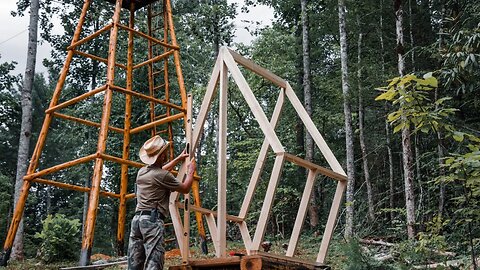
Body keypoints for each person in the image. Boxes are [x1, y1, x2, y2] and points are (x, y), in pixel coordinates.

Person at [127, 135, 196, 270]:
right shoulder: (162, 176)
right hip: (152, 221)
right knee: (154, 262)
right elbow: (185, 188)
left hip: (137, 221)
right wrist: (190, 171)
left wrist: (178, 159)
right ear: (162, 156)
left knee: (134, 263)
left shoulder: (142, 172)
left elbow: (160, 171)